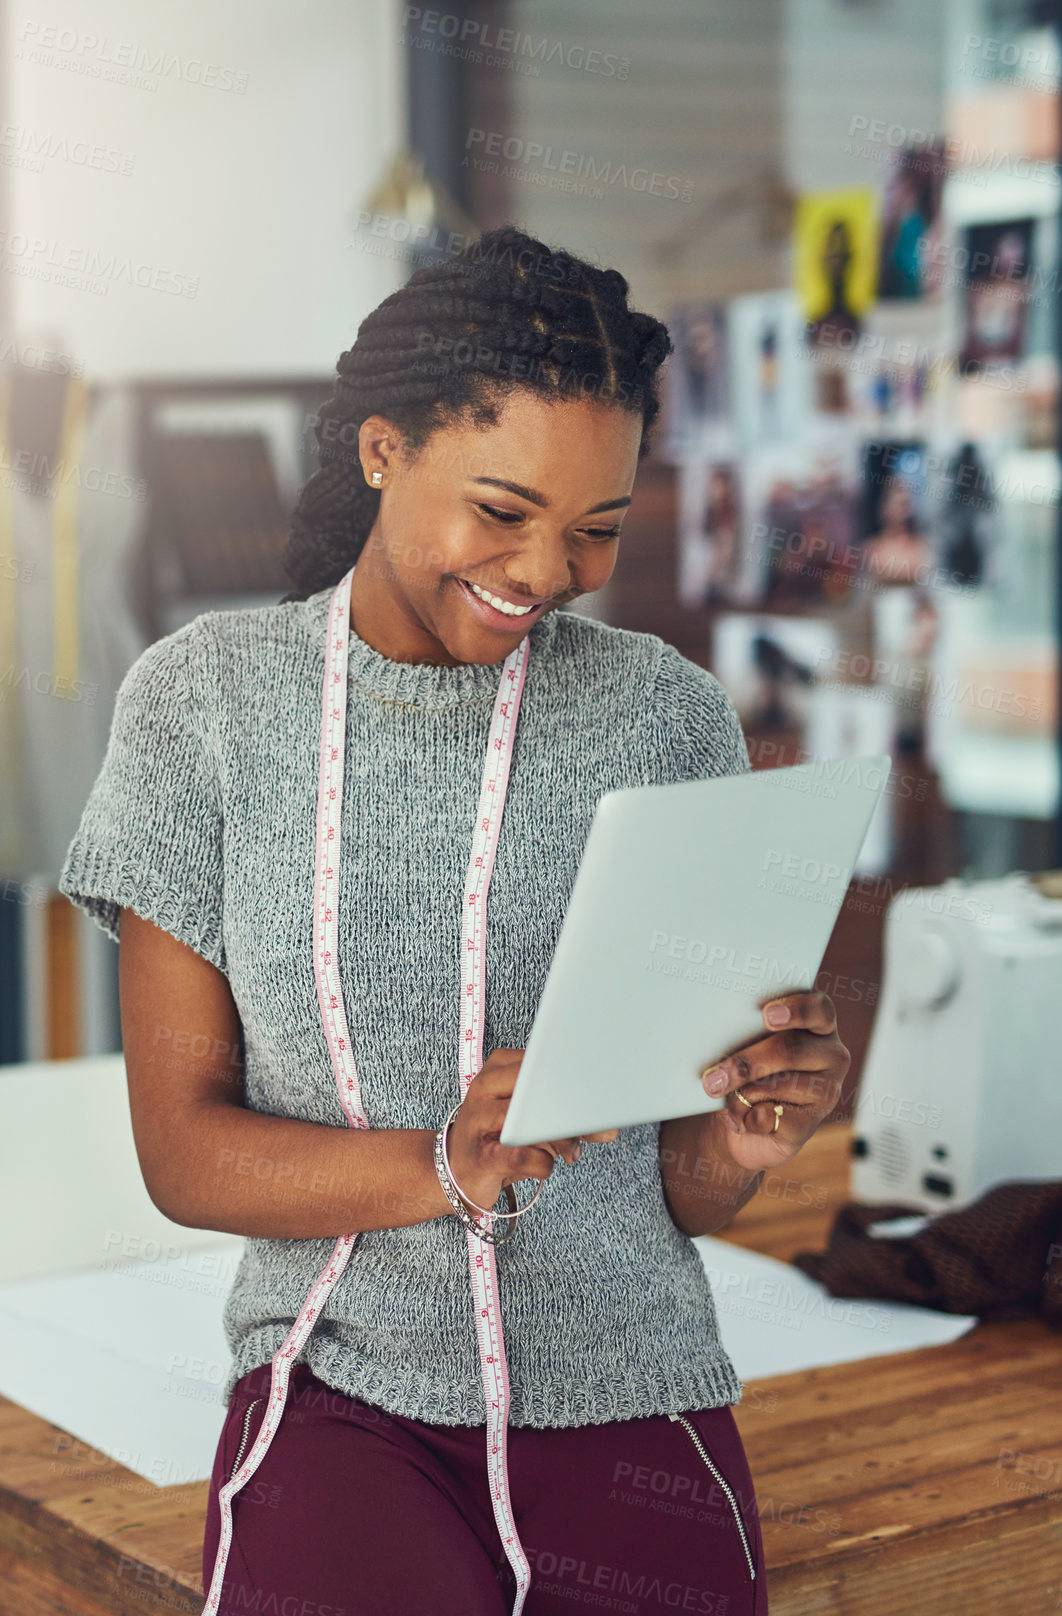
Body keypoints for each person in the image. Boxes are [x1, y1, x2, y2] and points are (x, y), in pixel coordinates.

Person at [58, 224, 850, 1616]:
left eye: (596, 529)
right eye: (502, 510)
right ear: (382, 451)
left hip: (631, 1389)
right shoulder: (205, 710)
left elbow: (677, 1188)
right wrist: (445, 1164)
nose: (545, 570)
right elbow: (185, 1153)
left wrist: (741, 1140)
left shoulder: (666, 717)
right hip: (340, 1386)